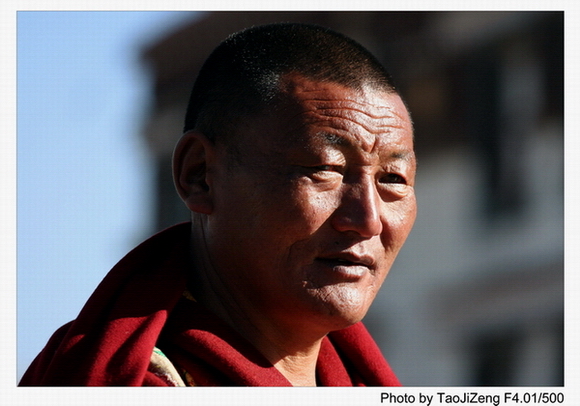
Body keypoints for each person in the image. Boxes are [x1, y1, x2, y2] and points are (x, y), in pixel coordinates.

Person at [20, 22, 417, 387]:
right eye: (324, 168)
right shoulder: (124, 380)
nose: (368, 220)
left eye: (393, 180)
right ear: (200, 176)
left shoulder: (360, 383)